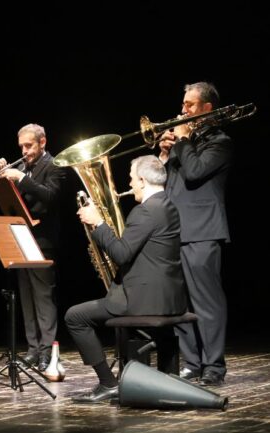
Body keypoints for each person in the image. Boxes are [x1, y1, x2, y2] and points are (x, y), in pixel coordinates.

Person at [66, 155, 187, 403]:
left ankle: (107, 383)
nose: (130, 185)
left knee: (74, 317)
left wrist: (98, 223)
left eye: (132, 179)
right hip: (169, 296)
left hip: (143, 300)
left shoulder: (144, 211)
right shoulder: (169, 205)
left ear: (142, 181)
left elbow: (121, 254)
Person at [158, 82, 232, 386]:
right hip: (174, 229)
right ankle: (192, 362)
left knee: (206, 302)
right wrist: (164, 155)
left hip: (202, 231)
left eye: (190, 105)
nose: (183, 110)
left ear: (206, 109)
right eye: (184, 104)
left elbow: (195, 172)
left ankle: (214, 366)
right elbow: (166, 181)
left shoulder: (220, 142)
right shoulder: (182, 144)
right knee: (181, 303)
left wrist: (183, 141)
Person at [0, 123, 66, 371]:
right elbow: (14, 204)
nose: (25, 151)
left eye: (29, 145)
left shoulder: (55, 165)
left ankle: (47, 351)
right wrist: (6, 179)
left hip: (43, 240)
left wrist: (22, 178)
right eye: (22, 146)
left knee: (43, 296)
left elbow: (50, 197)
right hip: (21, 237)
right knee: (25, 295)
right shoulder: (22, 168)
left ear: (42, 142)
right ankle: (33, 349)